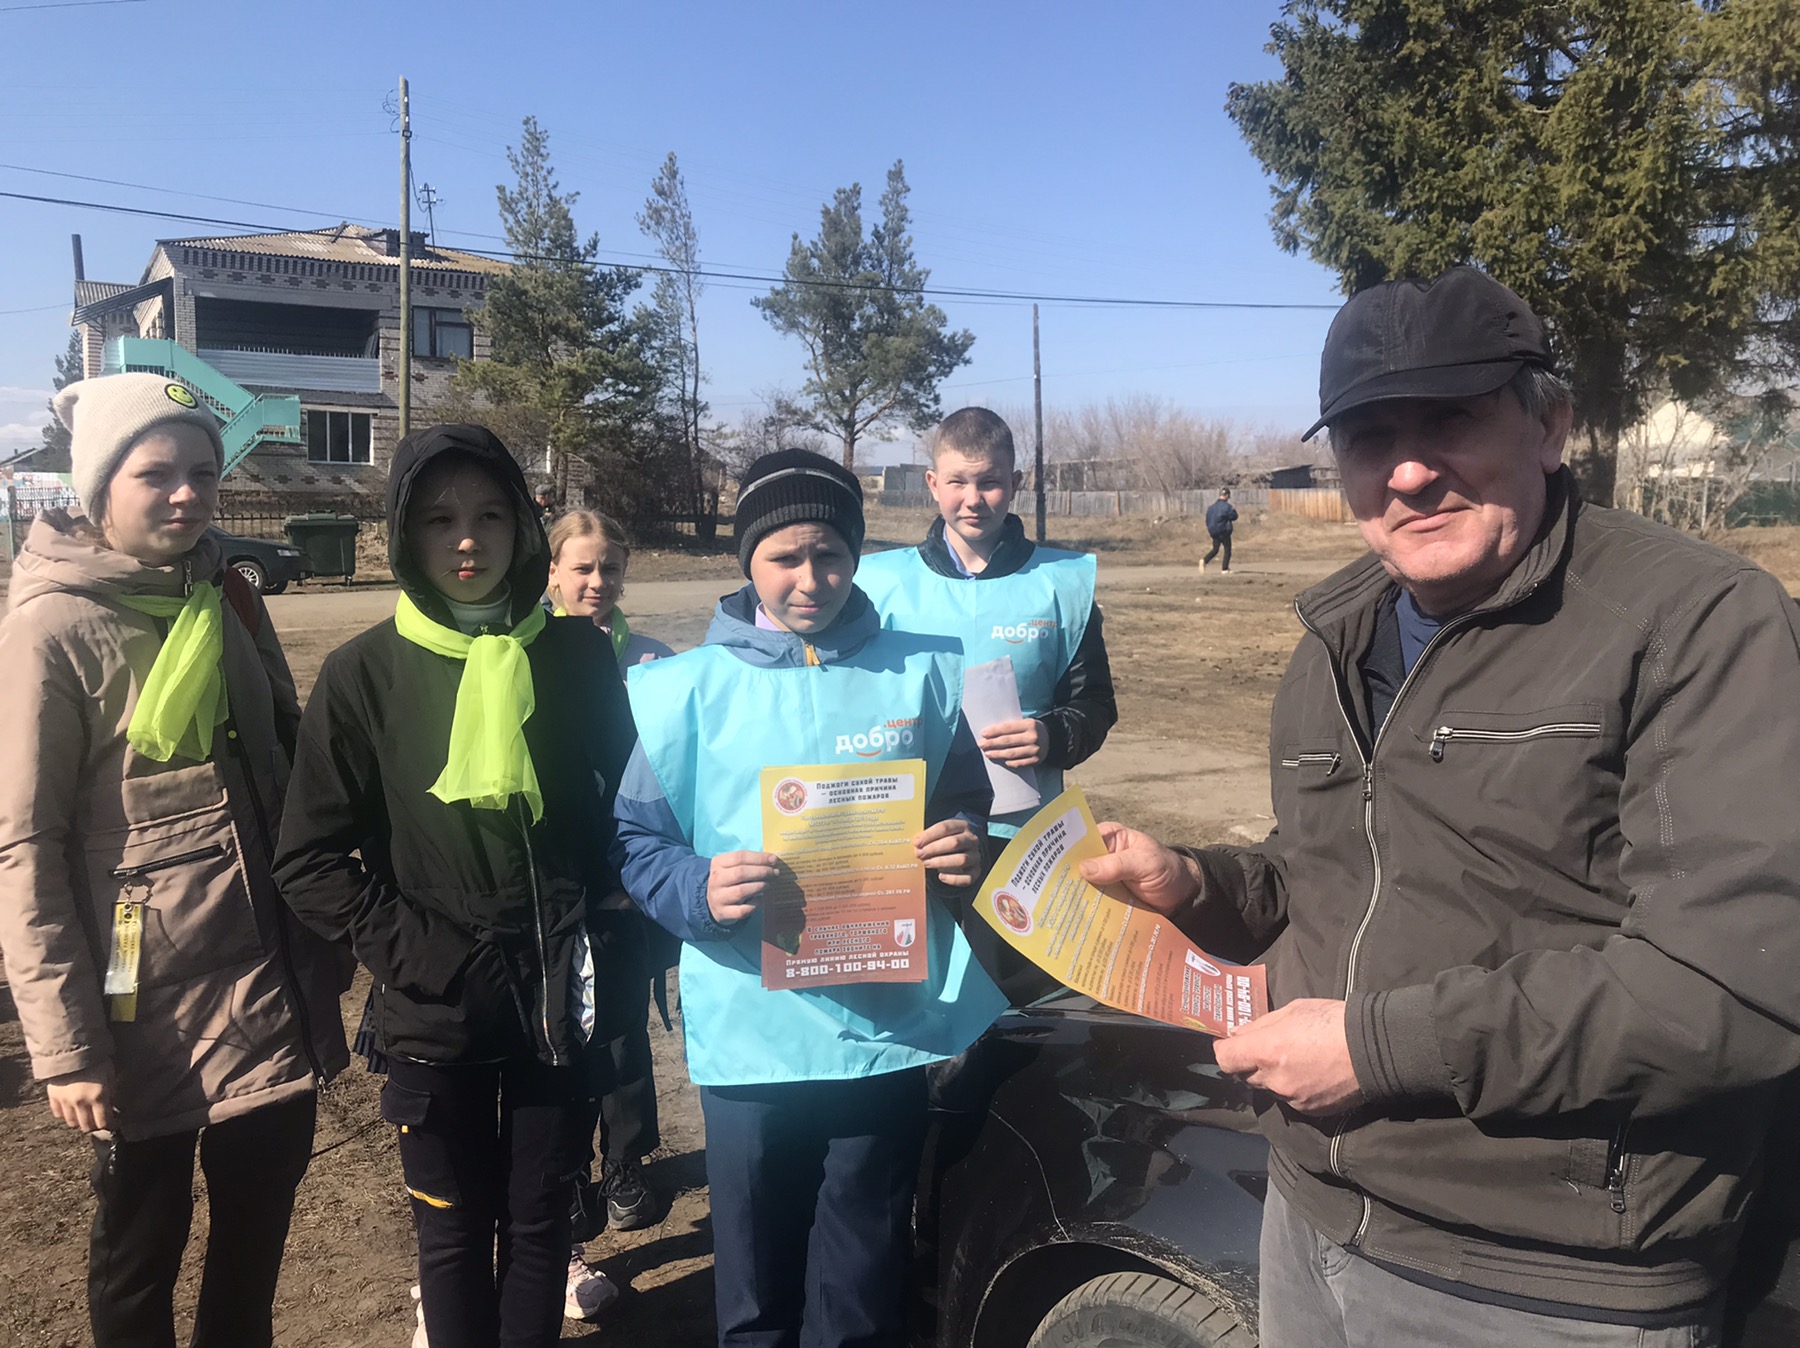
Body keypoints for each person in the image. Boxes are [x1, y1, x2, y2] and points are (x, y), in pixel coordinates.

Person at [1081, 266, 1800, 1348]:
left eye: (1453, 419)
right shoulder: (1342, 634)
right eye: (1372, 435)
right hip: (1312, 1220)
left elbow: (1729, 985)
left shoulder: (1698, 624)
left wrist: (1375, 1048)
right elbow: (1330, 873)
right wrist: (1199, 884)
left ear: (1549, 424)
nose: (1411, 470)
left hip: (1549, 1279)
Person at [613, 449, 1008, 1347]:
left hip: (882, 1034)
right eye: (784, 558)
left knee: (864, 1274)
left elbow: (964, 806)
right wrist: (697, 887)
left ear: (857, 553)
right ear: (747, 561)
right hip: (753, 1044)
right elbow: (637, 843)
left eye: (829, 554)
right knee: (754, 1283)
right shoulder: (684, 693)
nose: (809, 579)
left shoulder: (923, 675)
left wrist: (961, 846)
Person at [0, 373, 349, 1348]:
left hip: (263, 977)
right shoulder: (50, 627)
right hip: (132, 985)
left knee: (257, 1229)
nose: (189, 494)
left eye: (204, 471)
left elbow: (286, 770)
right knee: (141, 1242)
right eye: (156, 474)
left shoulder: (228, 593)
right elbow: (24, 845)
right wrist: (68, 1047)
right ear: (97, 487)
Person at [273, 424, 640, 1348]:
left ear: (524, 526)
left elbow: (631, 816)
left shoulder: (577, 658)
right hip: (437, 1014)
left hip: (561, 1001)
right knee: (450, 1234)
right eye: (439, 520)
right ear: (404, 535)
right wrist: (425, 958)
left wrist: (610, 927)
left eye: (487, 515)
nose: (466, 541)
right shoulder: (364, 675)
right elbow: (309, 860)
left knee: (541, 1224)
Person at [856, 407, 1116, 999]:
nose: (973, 499)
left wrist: (1053, 734)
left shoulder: (1064, 584)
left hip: (1025, 837)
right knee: (915, 998)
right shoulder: (878, 585)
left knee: (1017, 1006)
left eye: (990, 481)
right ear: (932, 484)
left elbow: (1095, 705)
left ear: (1016, 483)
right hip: (913, 834)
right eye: (957, 482)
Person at [543, 508, 675, 1311]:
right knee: (562, 1043)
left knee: (626, 1038)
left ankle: (627, 1167)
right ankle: (568, 1187)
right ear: (553, 572)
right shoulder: (524, 657)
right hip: (559, 890)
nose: (597, 584)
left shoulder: (656, 662)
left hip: (632, 886)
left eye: (611, 571)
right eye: (582, 569)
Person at [1200, 486, 1238, 571]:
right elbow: (1234, 517)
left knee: (1215, 549)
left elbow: (1207, 520)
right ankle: (1225, 569)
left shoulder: (1211, 507)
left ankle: (1204, 561)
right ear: (1227, 495)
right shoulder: (1227, 507)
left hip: (1213, 531)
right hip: (1223, 531)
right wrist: (1234, 511)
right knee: (1227, 549)